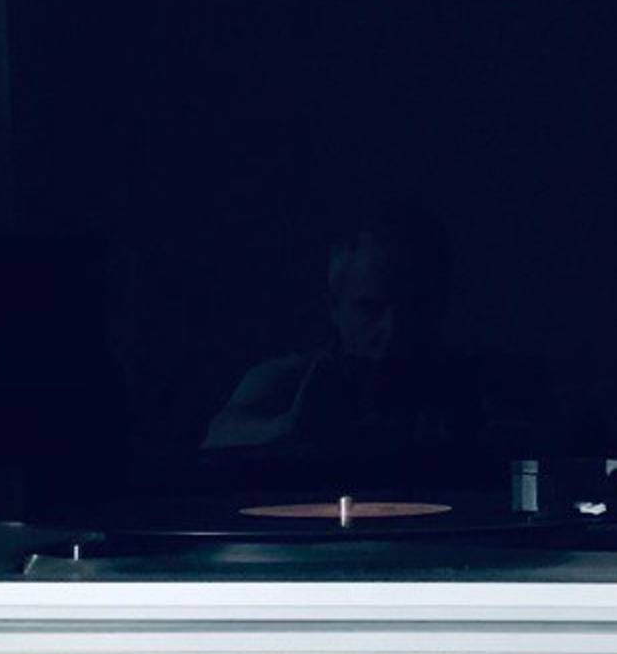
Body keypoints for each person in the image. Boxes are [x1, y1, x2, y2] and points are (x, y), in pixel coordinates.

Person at [201, 205, 563, 490]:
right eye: (371, 307)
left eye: (413, 306)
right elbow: (217, 436)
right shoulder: (291, 380)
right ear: (334, 306)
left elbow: (563, 445)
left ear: (439, 304)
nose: (393, 327)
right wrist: (291, 426)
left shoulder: (488, 380)